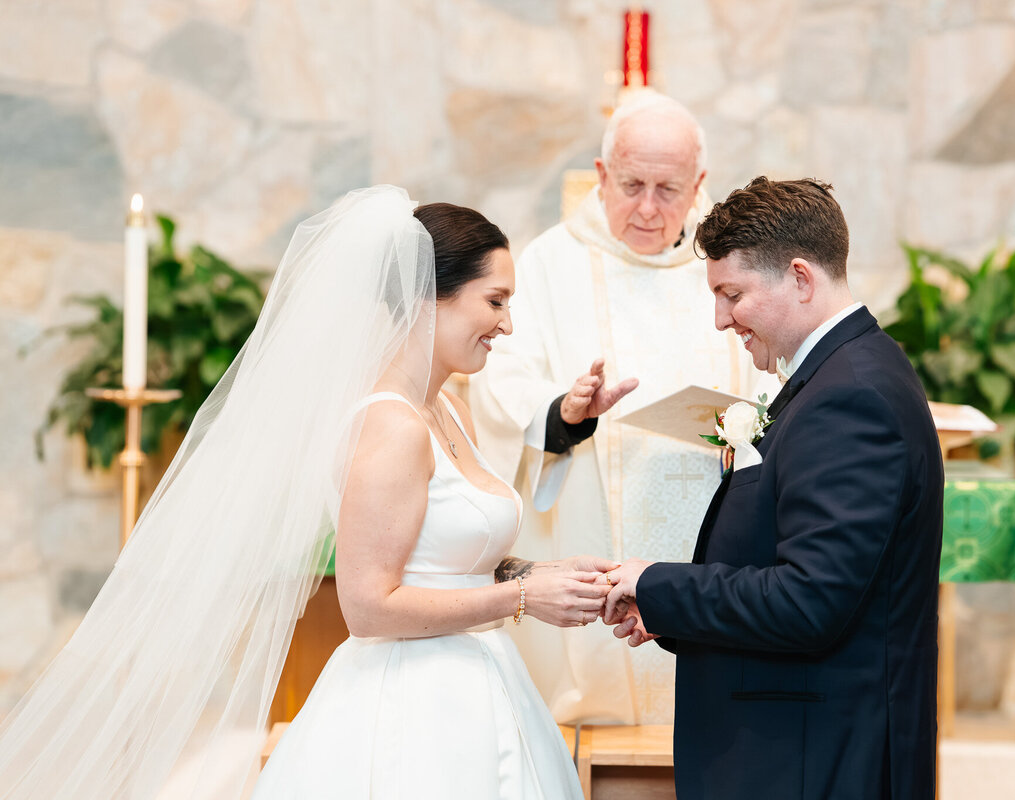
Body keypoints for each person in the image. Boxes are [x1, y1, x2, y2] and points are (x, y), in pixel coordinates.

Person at [0, 187, 611, 799]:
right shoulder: (392, 425)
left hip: (484, 685)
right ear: (429, 299)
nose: (508, 324)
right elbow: (369, 607)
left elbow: (455, 560)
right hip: (412, 700)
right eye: (495, 300)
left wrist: (546, 573)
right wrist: (524, 598)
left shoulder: (451, 411)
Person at [602, 177, 944, 799]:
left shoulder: (852, 395)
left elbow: (810, 600)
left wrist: (656, 580)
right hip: (801, 741)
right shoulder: (835, 375)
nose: (719, 319)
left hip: (817, 756)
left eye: (732, 294)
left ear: (800, 277)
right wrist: (668, 611)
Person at [469, 91, 766, 725]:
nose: (649, 207)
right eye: (632, 184)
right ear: (602, 176)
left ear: (699, 186)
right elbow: (503, 380)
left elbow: (773, 370)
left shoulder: (732, 261)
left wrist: (751, 426)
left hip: (713, 507)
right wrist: (566, 412)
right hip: (590, 513)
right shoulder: (552, 262)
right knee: (597, 696)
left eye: (669, 188)